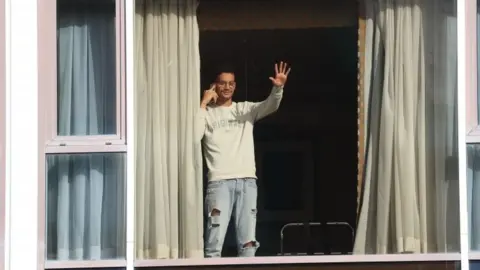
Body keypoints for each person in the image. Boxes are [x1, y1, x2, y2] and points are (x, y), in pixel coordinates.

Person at [196, 61, 291, 257]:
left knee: (248, 243)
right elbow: (193, 136)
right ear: (214, 85)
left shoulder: (244, 110)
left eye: (231, 83)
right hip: (219, 182)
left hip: (247, 181)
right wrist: (203, 103)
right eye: (222, 83)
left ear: (235, 86)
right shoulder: (206, 114)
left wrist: (278, 88)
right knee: (214, 243)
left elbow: (269, 105)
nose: (227, 87)